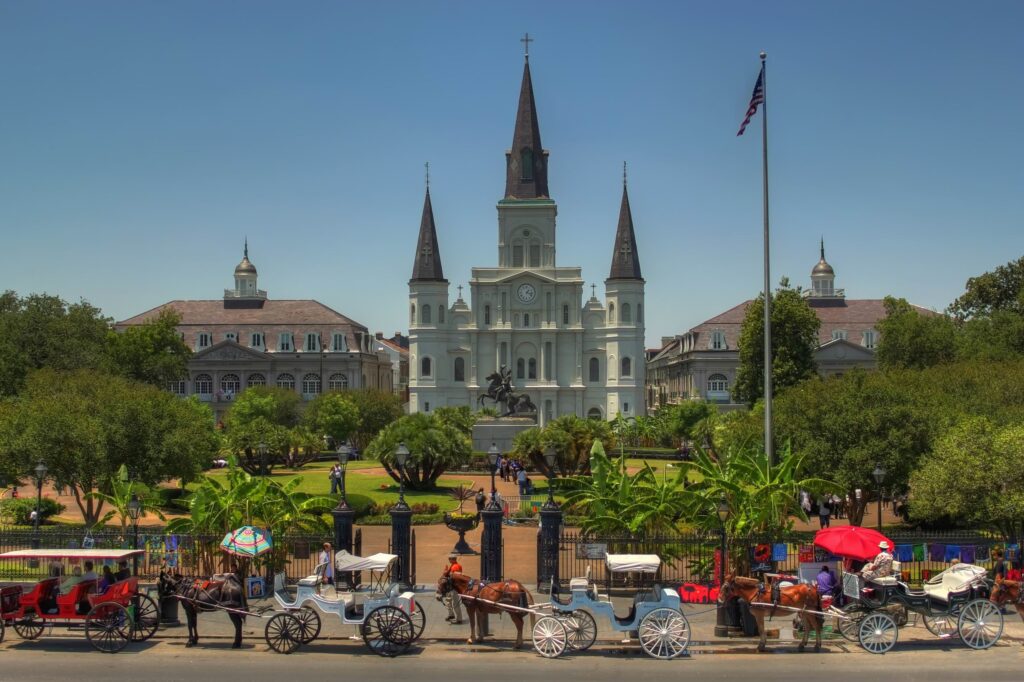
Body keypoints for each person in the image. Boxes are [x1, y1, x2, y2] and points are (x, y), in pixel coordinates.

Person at [442, 553, 463, 624]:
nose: (448, 560)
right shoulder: (453, 566)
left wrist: (446, 573)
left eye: (449, 559)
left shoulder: (456, 567)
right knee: (448, 601)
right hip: (450, 587)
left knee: (455, 604)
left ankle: (459, 619)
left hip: (454, 588)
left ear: (453, 559)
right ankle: (451, 615)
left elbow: (456, 578)